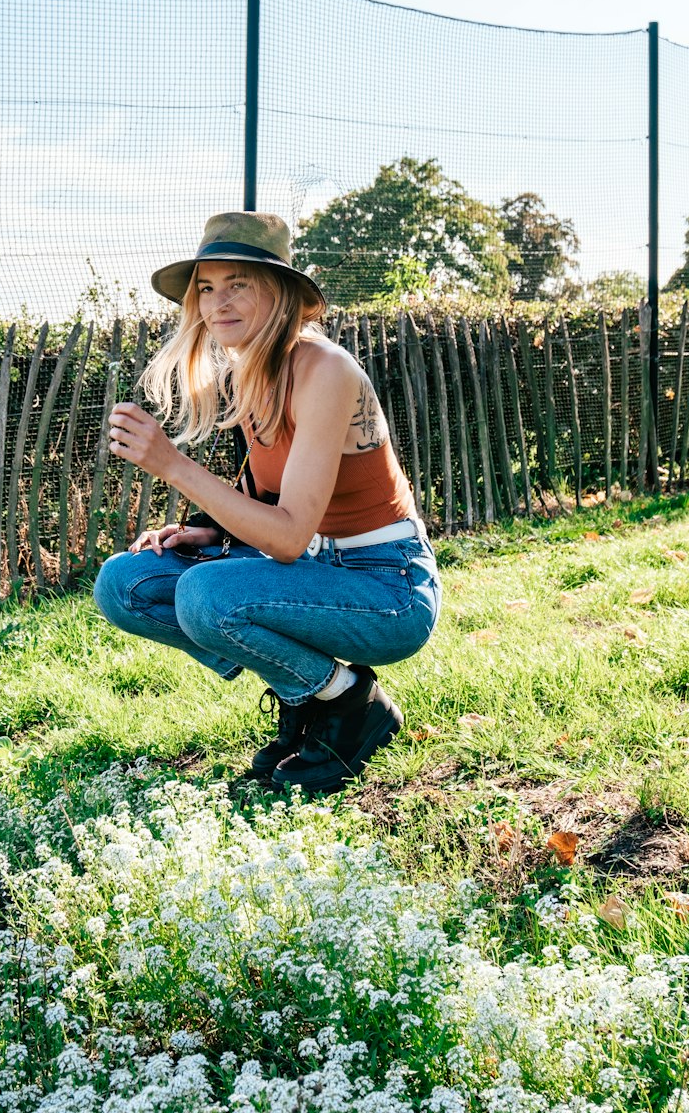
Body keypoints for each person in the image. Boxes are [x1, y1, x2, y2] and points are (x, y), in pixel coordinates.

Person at [93, 212, 441, 794]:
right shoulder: (248, 373)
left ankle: (351, 704)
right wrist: (211, 532)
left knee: (208, 595)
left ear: (279, 293)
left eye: (239, 284)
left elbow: (286, 537)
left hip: (385, 587)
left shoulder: (325, 370)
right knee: (125, 583)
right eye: (206, 288)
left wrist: (170, 465)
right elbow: (268, 497)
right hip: (307, 572)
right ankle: (308, 697)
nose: (217, 303)